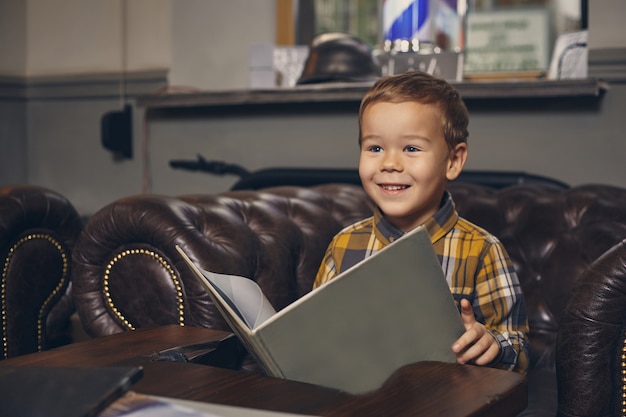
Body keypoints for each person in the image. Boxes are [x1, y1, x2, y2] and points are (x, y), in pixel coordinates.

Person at [313, 71, 529, 373]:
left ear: (453, 161)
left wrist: (492, 345)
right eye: (374, 148)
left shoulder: (482, 250)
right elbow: (314, 333)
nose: (389, 164)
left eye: (411, 149)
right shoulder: (343, 244)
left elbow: (517, 349)